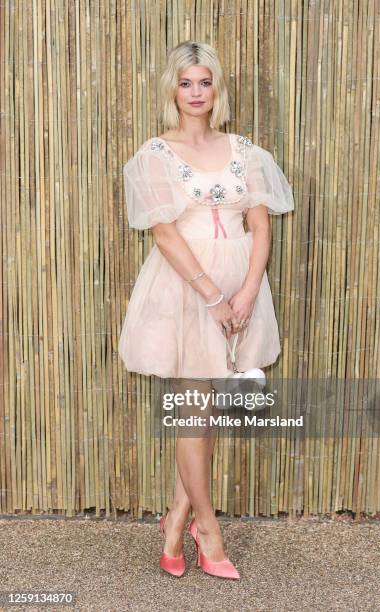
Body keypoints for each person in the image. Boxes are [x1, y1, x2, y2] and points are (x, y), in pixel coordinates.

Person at [118, 41, 294, 579]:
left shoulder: (247, 151)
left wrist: (244, 291)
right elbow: (164, 233)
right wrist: (213, 297)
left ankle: (176, 520)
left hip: (241, 283)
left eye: (205, 82)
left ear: (217, 88)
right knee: (194, 405)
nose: (196, 92)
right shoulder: (155, 154)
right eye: (186, 82)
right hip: (185, 288)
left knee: (205, 409)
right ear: (172, 87)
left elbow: (260, 226)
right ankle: (208, 528)